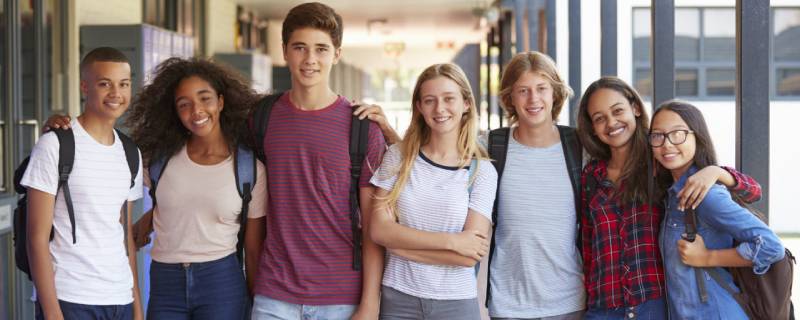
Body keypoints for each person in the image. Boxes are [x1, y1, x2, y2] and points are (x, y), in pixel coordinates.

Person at [575, 77, 762, 319]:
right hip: (603, 309)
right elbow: (589, 246)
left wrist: (718, 172)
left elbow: (753, 191)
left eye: (617, 110)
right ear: (592, 127)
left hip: (655, 306)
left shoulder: (662, 161)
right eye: (599, 118)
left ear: (634, 107)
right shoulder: (591, 176)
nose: (611, 122)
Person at [248, 3, 386, 319]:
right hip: (274, 295)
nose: (310, 59)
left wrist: (369, 303)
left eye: (321, 49)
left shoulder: (362, 128)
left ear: (337, 54)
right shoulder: (261, 119)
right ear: (284, 51)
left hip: (342, 298)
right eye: (300, 48)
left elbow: (374, 228)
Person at [125, 57, 267, 319]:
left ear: (221, 101)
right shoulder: (157, 160)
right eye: (184, 104)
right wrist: (63, 131)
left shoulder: (248, 169)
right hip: (165, 282)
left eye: (205, 98)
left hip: (222, 281)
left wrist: (256, 307)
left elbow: (253, 250)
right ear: (175, 112)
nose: (197, 110)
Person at [24, 47, 144, 320]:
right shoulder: (55, 145)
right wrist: (53, 313)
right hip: (70, 298)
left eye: (123, 84)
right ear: (84, 87)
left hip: (119, 298)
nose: (116, 93)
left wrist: (136, 306)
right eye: (105, 84)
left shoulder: (130, 152)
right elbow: (36, 238)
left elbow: (125, 238)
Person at [369, 63, 497, 320]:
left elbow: (469, 257)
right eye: (430, 100)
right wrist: (452, 242)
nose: (440, 109)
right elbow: (379, 231)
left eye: (449, 99)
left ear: (466, 104)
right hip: (398, 298)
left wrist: (399, 247)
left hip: (456, 303)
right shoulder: (398, 157)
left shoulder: (481, 172)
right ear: (419, 107)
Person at [649, 100, 784, 319]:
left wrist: (707, 257)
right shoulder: (672, 195)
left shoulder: (707, 195)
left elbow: (770, 246)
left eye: (678, 133)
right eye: (657, 135)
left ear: (697, 137)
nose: (667, 144)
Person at [482, 51, 585, 320]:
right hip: (508, 305)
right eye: (523, 91)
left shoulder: (580, 147)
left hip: (569, 302)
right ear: (510, 98)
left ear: (555, 93)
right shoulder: (492, 146)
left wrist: (711, 170)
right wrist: (389, 133)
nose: (533, 99)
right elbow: (436, 157)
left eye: (541, 88)